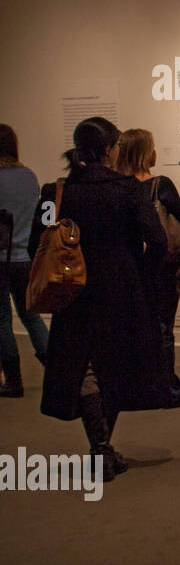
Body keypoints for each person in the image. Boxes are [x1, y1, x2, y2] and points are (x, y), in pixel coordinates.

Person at [31, 118, 171, 478]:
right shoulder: (127, 190)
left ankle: (99, 446)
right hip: (121, 290)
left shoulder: (56, 191)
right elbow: (156, 241)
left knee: (85, 366)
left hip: (73, 291)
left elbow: (38, 243)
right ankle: (102, 446)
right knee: (116, 365)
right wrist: (142, 275)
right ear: (110, 150)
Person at [115, 128, 180, 408]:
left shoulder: (118, 187)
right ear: (144, 152)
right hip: (162, 267)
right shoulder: (159, 185)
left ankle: (139, 389)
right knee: (163, 326)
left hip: (129, 268)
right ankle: (168, 389)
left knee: (134, 327)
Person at [0, 124, 49, 396]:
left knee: (1, 320)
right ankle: (56, 370)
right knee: (31, 316)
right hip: (24, 257)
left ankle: (14, 381)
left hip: (0, 258)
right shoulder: (29, 176)